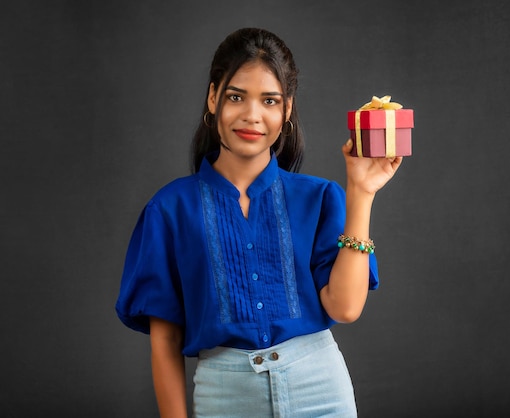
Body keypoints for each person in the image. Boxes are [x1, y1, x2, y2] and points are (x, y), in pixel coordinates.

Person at [115, 27, 402, 417]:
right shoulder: (168, 209)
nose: (252, 115)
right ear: (213, 97)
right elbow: (165, 340)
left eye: (269, 100)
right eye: (236, 96)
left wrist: (362, 193)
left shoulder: (318, 197)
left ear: (286, 111)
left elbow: (345, 307)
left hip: (321, 390)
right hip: (224, 397)